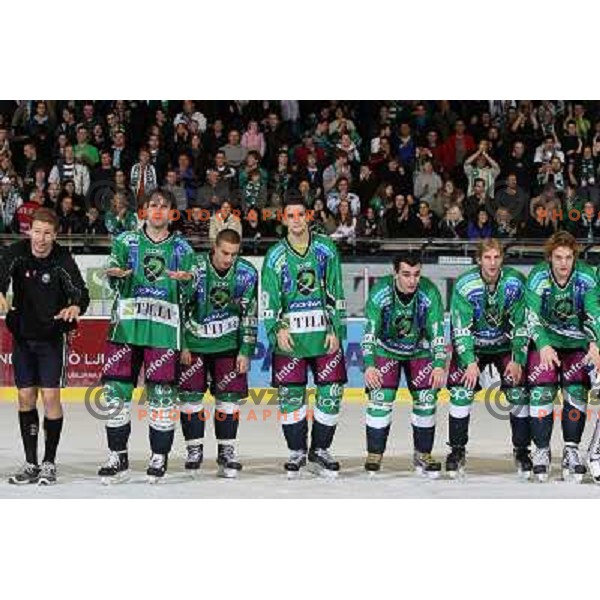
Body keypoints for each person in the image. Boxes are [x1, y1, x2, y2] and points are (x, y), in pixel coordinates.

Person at [97, 190, 196, 484]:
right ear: (143, 211)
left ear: (171, 214)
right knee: (115, 393)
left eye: (164, 207)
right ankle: (118, 456)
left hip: (163, 331)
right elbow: (111, 274)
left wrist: (189, 283)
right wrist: (114, 273)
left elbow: (191, 296)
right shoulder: (125, 241)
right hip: (126, 327)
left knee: (163, 396)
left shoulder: (182, 248)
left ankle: (159, 456)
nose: (158, 211)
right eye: (153, 205)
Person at [0, 207, 90, 485]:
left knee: (50, 398)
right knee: (25, 397)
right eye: (37, 231)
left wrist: (75, 306)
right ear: (29, 231)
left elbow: (80, 292)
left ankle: (49, 462)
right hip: (23, 337)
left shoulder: (62, 258)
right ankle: (31, 463)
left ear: (55, 235)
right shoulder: (16, 252)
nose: (41, 239)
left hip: (52, 337)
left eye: (47, 233)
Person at [261, 196, 347, 478]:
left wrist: (336, 328)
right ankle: (297, 451)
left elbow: (336, 291)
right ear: (284, 219)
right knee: (291, 397)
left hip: (323, 335)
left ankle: (320, 449)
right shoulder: (275, 256)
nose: (296, 220)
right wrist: (277, 328)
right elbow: (269, 299)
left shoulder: (326, 248)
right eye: (291, 215)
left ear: (307, 216)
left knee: (331, 393)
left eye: (300, 214)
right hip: (291, 339)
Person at [178, 229, 258, 478]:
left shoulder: (247, 273)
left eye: (234, 254)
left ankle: (226, 451)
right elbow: (179, 306)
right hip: (195, 344)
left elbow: (250, 314)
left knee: (229, 399)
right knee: (191, 398)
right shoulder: (196, 268)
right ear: (214, 247)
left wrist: (245, 350)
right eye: (224, 252)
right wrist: (183, 344)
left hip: (228, 345)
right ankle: (194, 450)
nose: (228, 259)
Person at [446, 239, 529, 477]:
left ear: (502, 258)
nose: (492, 263)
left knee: (517, 391)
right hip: (475, 346)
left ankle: (522, 450)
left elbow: (522, 323)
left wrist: (517, 358)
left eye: (496, 257)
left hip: (505, 345)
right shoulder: (465, 284)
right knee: (461, 391)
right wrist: (470, 362)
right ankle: (457, 449)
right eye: (487, 257)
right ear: (478, 259)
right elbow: (460, 327)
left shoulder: (515, 282)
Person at [361, 251, 446, 476]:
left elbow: (437, 330)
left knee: (427, 400)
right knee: (380, 401)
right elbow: (370, 331)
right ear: (395, 273)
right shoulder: (380, 293)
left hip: (418, 351)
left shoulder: (429, 292)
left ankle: (423, 454)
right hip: (386, 350)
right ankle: (375, 454)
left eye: (417, 274)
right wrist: (369, 364)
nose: (412, 280)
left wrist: (439, 363)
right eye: (406, 274)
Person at [525, 232, 600, 482]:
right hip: (546, 340)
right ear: (550, 258)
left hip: (577, 342)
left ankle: (571, 450)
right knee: (541, 391)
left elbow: (593, 312)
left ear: (574, 258)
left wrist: (595, 343)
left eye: (568, 257)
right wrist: (543, 344)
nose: (563, 263)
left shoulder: (586, 275)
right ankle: (541, 451)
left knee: (576, 393)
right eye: (558, 257)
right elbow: (531, 315)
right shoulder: (538, 276)